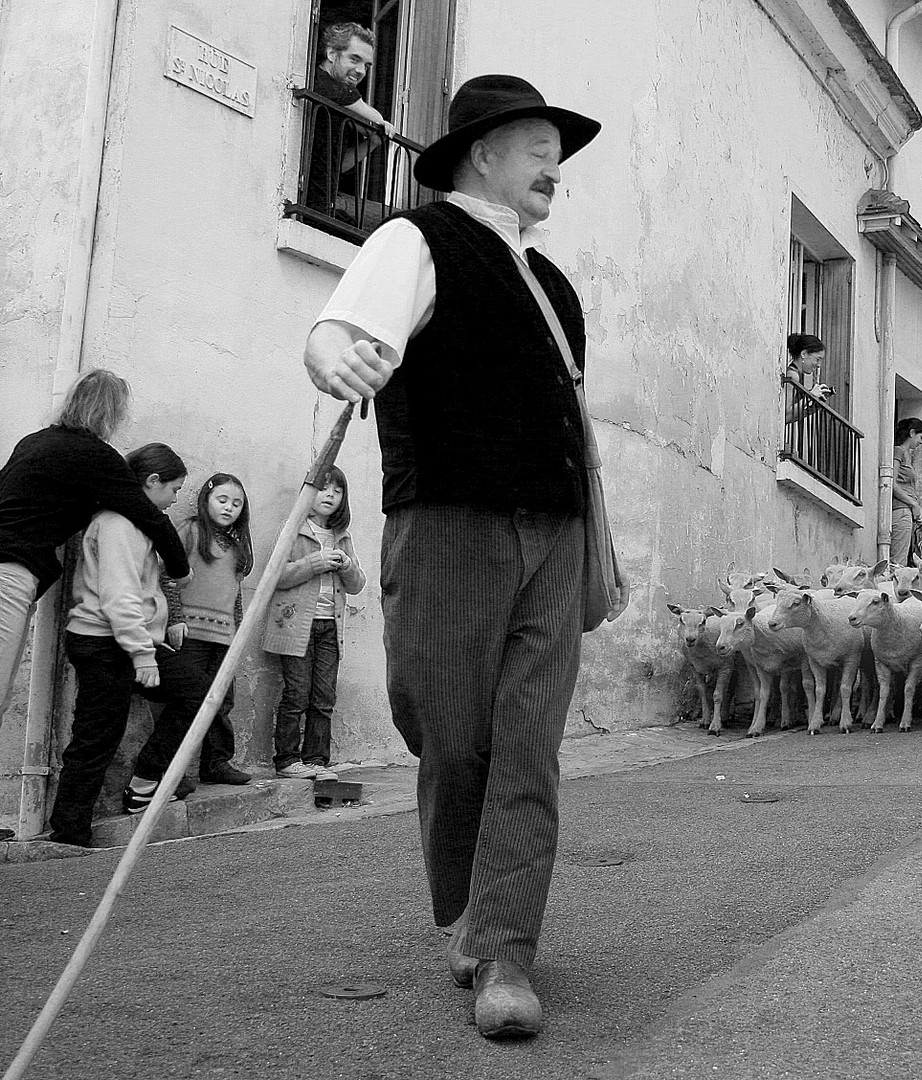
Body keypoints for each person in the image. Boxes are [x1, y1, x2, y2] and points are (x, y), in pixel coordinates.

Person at [302, 74, 607, 1039]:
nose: (555, 164)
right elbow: (340, 331)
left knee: (529, 741)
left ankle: (507, 948)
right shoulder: (414, 239)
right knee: (449, 727)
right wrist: (334, 356)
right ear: (481, 152)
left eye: (557, 152)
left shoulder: (554, 284)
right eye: (536, 146)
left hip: (552, 533)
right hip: (448, 525)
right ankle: (468, 910)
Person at [0, 369, 191, 732]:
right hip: (8, 573)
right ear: (111, 412)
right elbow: (151, 517)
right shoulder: (96, 458)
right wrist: (181, 569)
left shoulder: (33, 442)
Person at [47, 444, 202, 845]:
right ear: (152, 483)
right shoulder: (118, 524)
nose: (174, 499)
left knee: (196, 693)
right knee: (97, 735)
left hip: (129, 640)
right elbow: (120, 596)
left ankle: (145, 783)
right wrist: (141, 654)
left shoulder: (137, 523)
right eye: (174, 489)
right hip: (103, 642)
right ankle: (69, 832)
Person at [262, 466, 363, 782]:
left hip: (330, 628)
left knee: (324, 696)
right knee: (297, 694)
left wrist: (345, 565)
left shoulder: (342, 536)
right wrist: (313, 563)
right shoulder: (293, 530)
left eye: (337, 490)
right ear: (308, 493)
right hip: (296, 627)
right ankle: (288, 759)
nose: (330, 495)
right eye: (323, 488)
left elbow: (357, 584)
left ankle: (317, 760)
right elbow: (276, 577)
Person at [161, 473, 256, 786]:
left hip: (223, 637)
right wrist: (175, 619)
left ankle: (216, 763)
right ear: (206, 500)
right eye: (222, 500)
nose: (229, 508)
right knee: (187, 703)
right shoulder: (190, 530)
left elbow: (234, 592)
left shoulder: (238, 543)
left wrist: (239, 633)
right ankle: (171, 772)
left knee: (221, 703)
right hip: (190, 635)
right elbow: (167, 577)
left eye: (237, 503)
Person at [305, 23, 396, 225]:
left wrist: (372, 143)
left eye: (367, 65)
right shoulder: (322, 83)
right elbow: (374, 118)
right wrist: (381, 123)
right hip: (304, 203)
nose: (361, 70)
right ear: (331, 54)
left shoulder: (339, 101)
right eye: (354, 59)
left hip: (320, 205)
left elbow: (335, 166)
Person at [891, 417, 922, 566]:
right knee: (898, 564)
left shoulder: (907, 455)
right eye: (921, 437)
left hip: (907, 512)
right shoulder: (898, 451)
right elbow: (892, 484)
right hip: (901, 510)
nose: (921, 442)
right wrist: (913, 504)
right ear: (912, 433)